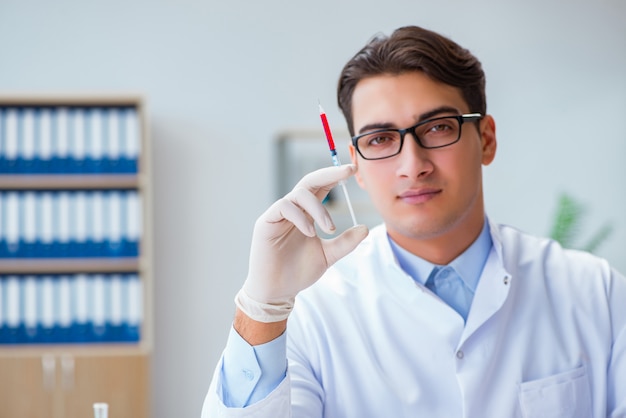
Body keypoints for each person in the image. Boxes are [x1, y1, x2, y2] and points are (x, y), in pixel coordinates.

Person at [202, 25, 626, 417]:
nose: (413, 165)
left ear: (487, 140)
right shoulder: (314, 312)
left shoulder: (594, 291)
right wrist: (261, 309)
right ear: (358, 166)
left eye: (439, 128)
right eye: (381, 139)